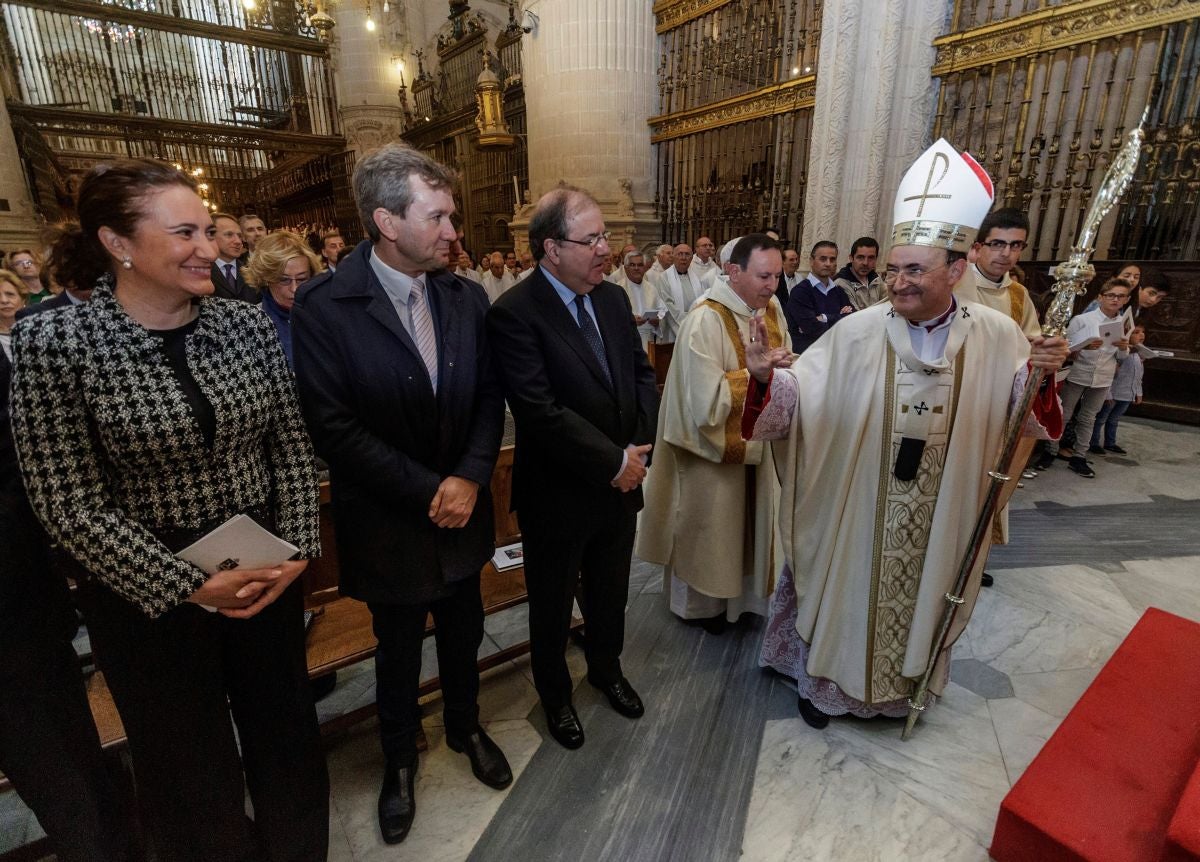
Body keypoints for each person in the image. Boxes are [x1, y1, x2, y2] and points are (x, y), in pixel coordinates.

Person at [9, 159, 329, 860]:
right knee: (188, 769)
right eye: (184, 233)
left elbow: (293, 449)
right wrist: (185, 584)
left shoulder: (243, 324)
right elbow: (65, 502)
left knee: (288, 742)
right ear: (119, 243)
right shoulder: (56, 342)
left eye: (208, 232)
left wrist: (298, 548)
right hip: (144, 590)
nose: (209, 249)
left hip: (261, 567)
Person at [743, 139, 1067, 729]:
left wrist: (1040, 378)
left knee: (922, 596)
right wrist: (768, 382)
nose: (897, 282)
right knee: (848, 588)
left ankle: (901, 693)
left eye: (915, 269)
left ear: (957, 270)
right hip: (859, 501)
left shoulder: (996, 335)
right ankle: (826, 686)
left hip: (942, 507)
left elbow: (1025, 418)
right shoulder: (857, 331)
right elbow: (803, 397)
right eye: (892, 269)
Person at [292, 144, 512, 845]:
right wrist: (432, 489)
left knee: (463, 628)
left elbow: (487, 396)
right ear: (387, 221)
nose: (454, 232)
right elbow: (332, 425)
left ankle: (465, 725)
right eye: (439, 216)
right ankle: (398, 761)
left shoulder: (464, 295)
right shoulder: (328, 305)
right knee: (396, 649)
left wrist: (472, 476)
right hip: (390, 516)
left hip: (463, 508)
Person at [486, 184, 659, 751]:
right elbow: (538, 410)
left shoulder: (610, 300)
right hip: (558, 494)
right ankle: (556, 696)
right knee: (554, 603)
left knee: (611, 592)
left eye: (604, 235)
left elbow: (639, 376)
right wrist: (614, 461)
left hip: (620, 485)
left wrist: (637, 448)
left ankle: (607, 670)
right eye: (592, 239)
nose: (605, 248)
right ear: (551, 248)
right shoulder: (515, 312)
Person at [637, 234, 790, 632]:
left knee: (749, 527)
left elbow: (782, 360)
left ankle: (743, 603)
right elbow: (702, 401)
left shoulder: (771, 310)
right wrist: (754, 378)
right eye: (763, 276)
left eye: (776, 275)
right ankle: (703, 609)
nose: (771, 285)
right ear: (734, 271)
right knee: (711, 529)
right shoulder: (705, 318)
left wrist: (785, 370)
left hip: (760, 448)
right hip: (710, 453)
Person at [1045, 276, 1132, 478]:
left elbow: (1121, 358)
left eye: (1121, 296)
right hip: (1079, 371)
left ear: (1126, 299)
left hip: (1103, 376)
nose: (1115, 300)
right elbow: (1066, 350)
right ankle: (1050, 451)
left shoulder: (1124, 324)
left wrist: (1124, 348)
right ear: (1101, 297)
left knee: (1088, 417)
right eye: (1111, 295)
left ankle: (1079, 456)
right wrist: (1083, 346)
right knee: (1064, 414)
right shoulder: (1082, 320)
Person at [953, 208, 1040, 338]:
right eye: (997, 244)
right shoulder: (955, 284)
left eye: (1015, 245)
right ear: (978, 248)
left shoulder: (1019, 294)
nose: (1006, 253)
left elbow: (1030, 342)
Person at [244, 231, 323, 369]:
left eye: (302, 279)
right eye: (284, 280)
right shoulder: (250, 325)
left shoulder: (326, 315)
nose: (294, 288)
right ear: (266, 279)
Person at [784, 240, 852, 353]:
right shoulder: (800, 292)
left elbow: (851, 321)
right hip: (807, 356)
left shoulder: (839, 291)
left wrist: (824, 318)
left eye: (832, 259)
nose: (828, 263)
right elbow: (811, 329)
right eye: (823, 259)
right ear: (811, 261)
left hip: (834, 354)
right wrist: (840, 317)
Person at [1089, 323, 1145, 456]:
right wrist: (1107, 394)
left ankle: (1110, 443)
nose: (1141, 335)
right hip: (1114, 393)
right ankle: (1093, 443)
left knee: (1114, 419)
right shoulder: (1121, 354)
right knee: (1101, 418)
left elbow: (1138, 376)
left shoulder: (1138, 354)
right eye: (1136, 332)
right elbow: (1109, 374)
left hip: (1127, 394)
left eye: (1143, 332)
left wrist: (1138, 392)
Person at [655, 242, 704, 344]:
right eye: (680, 254)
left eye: (687, 254)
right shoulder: (664, 278)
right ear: (673, 256)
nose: (683, 257)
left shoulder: (697, 278)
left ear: (692, 258)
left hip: (695, 328)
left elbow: (702, 303)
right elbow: (668, 306)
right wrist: (686, 327)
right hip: (673, 331)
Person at [619, 251, 665, 350]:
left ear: (644, 268)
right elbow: (612, 318)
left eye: (640, 265)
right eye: (632, 265)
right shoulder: (618, 289)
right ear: (626, 268)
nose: (636, 268)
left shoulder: (651, 288)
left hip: (648, 339)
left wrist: (658, 320)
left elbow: (662, 309)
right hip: (627, 339)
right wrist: (631, 320)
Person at [209, 212, 258, 302]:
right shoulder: (203, 273)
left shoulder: (253, 271)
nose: (238, 241)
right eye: (229, 235)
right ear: (211, 236)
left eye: (239, 236)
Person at [834, 237, 885, 311]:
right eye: (860, 257)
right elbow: (855, 317)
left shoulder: (876, 279)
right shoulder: (841, 284)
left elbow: (888, 305)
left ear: (876, 259)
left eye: (871, 258)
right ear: (851, 258)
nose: (865, 263)